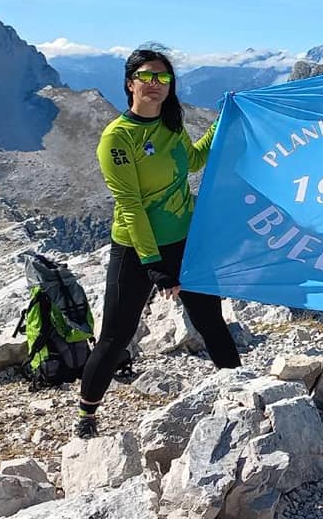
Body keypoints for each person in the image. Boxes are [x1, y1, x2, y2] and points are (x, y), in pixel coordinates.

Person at [75, 48, 242, 438]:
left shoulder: (170, 126)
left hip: (186, 240)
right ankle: (86, 414)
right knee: (117, 335)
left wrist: (223, 121)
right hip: (136, 248)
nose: (155, 85)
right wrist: (153, 264)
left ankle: (242, 392)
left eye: (163, 79)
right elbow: (130, 206)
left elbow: (195, 162)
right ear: (129, 83)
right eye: (147, 77)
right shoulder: (117, 138)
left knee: (211, 323)